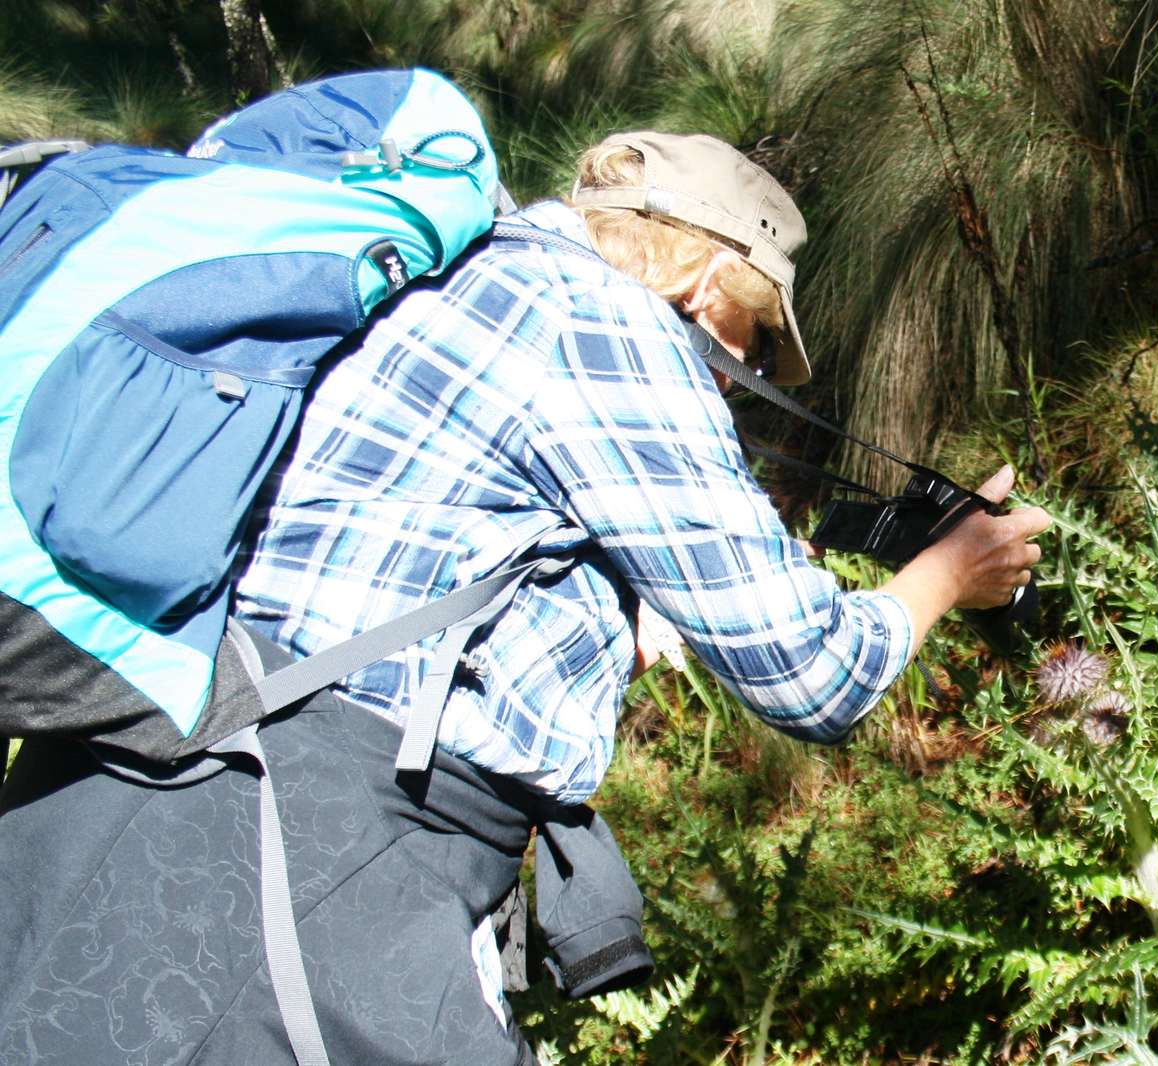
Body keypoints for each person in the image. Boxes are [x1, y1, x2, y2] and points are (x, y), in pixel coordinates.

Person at [0, 131, 1050, 1064]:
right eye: (759, 343)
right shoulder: (607, 325)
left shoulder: (451, 278)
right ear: (712, 286)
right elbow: (809, 673)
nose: (745, 377)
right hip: (310, 849)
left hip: (143, 775)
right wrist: (950, 573)